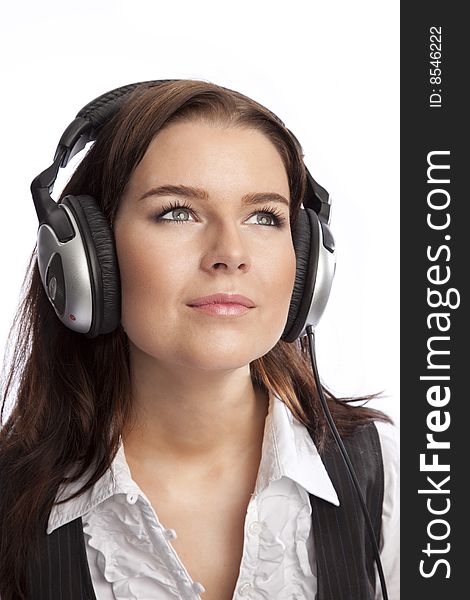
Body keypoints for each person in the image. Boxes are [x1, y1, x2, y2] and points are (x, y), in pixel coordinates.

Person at [0, 79, 399, 600]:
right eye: (177, 212)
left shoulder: (388, 477)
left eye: (264, 217)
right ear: (86, 260)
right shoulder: (12, 504)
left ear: (307, 264)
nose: (230, 253)